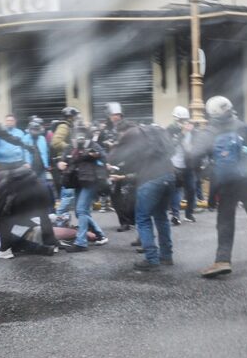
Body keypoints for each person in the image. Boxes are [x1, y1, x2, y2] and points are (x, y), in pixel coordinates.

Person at [193, 96, 247, 278]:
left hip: (227, 181)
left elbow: (194, 155)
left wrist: (204, 169)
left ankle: (222, 260)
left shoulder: (210, 131)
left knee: (225, 220)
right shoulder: (240, 125)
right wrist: (246, 153)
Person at [110, 122, 175, 271]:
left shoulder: (133, 135)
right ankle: (166, 256)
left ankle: (151, 259)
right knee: (161, 217)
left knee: (143, 219)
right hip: (169, 177)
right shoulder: (155, 139)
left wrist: (114, 149)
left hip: (151, 181)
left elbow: (114, 157)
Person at [57, 126, 108, 252]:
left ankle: (81, 243)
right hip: (77, 182)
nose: (80, 136)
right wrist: (61, 164)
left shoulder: (93, 145)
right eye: (77, 134)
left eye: (82, 134)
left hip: (91, 182)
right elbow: (62, 160)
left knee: (81, 210)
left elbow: (105, 158)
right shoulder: (71, 147)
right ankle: (100, 235)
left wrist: (95, 155)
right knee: (80, 212)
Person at [167, 106, 197, 224]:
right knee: (176, 190)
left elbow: (195, 144)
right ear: (176, 119)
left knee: (191, 189)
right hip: (175, 164)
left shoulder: (192, 130)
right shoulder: (171, 129)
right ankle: (175, 215)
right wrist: (183, 133)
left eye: (185, 120)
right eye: (181, 120)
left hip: (188, 164)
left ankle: (189, 214)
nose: (184, 122)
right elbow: (170, 145)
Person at [52, 107, 81, 225]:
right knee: (67, 194)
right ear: (70, 116)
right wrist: (71, 148)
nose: (76, 118)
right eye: (75, 116)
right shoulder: (64, 126)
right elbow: (56, 142)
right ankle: (59, 223)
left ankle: (64, 223)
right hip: (66, 161)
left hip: (67, 161)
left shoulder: (69, 126)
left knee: (67, 193)